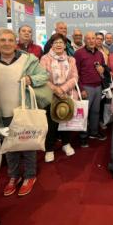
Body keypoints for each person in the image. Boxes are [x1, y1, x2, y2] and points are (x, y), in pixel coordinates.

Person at [0, 28, 49, 196]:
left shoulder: (28, 59)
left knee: (28, 144)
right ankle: (13, 176)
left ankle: (30, 175)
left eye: (10, 40)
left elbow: (44, 75)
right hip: (2, 114)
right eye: (3, 40)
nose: (7, 44)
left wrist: (32, 79)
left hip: (24, 110)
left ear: (15, 42)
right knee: (8, 147)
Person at [40, 33, 79, 162]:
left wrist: (62, 89)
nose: (58, 45)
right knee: (51, 124)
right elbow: (43, 78)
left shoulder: (71, 59)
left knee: (66, 121)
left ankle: (66, 144)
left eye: (61, 43)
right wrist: (56, 90)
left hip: (67, 94)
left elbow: (75, 77)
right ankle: (49, 148)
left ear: (65, 45)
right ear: (51, 44)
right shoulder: (45, 59)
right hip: (50, 95)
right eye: (55, 42)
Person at [74, 31, 107, 147]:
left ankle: (94, 132)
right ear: (85, 40)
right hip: (86, 88)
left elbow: (103, 68)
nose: (92, 41)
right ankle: (83, 136)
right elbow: (75, 73)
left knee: (95, 112)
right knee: (84, 114)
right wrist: (81, 89)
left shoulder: (100, 53)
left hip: (98, 87)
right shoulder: (78, 53)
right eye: (89, 39)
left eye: (93, 38)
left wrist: (102, 70)